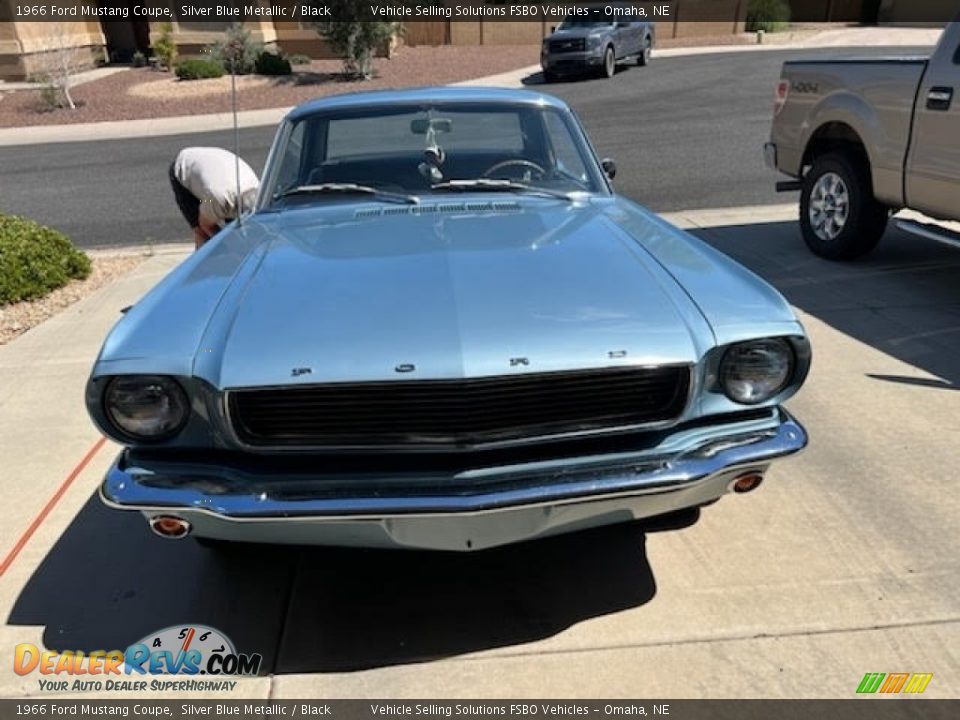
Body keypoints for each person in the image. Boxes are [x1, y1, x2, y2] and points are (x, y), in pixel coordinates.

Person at [169, 147, 259, 249]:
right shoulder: (215, 198)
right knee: (203, 234)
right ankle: (203, 262)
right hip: (184, 166)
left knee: (236, 233)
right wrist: (227, 246)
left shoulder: (258, 190)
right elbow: (205, 224)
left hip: (218, 169)